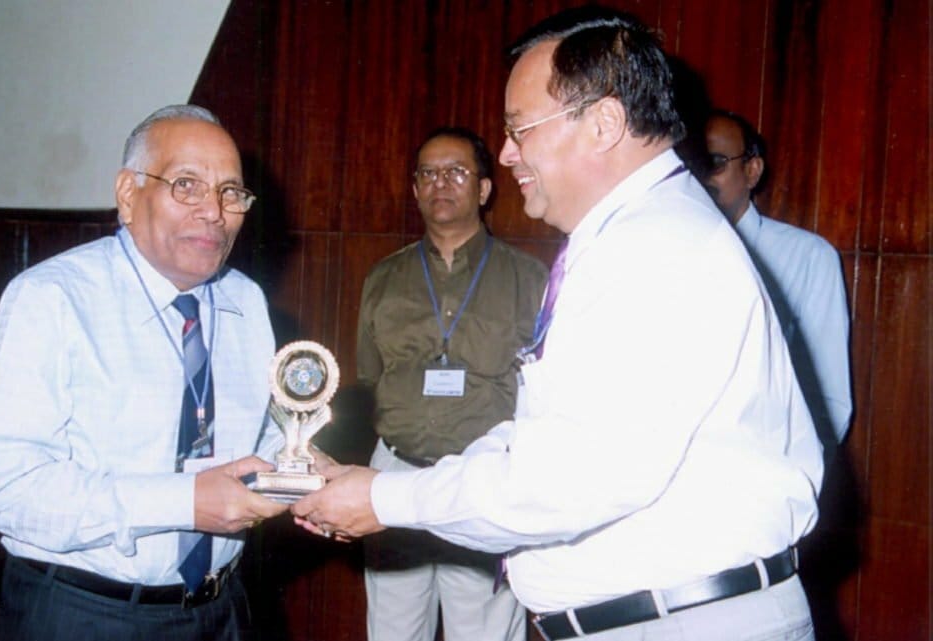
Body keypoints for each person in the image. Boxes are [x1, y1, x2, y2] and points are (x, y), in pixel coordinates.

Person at [293, 7, 825, 641]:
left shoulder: (653, 249)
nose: (507, 154)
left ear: (604, 123)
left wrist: (384, 500)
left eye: (519, 129)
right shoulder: (638, 234)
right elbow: (549, 435)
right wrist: (384, 486)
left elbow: (569, 477)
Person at [0, 104, 288, 641]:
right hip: (85, 614)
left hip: (220, 611)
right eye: (187, 185)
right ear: (127, 194)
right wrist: (184, 502)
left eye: (230, 192)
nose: (213, 211)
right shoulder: (52, 297)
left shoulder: (246, 300)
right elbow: (2, 488)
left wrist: (303, 464)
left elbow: (263, 436)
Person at [356, 127, 545, 641]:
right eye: (429, 173)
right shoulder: (383, 278)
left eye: (457, 171)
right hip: (396, 475)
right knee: (393, 631)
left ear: (484, 189)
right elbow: (369, 375)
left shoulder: (530, 280)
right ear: (415, 189)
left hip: (483, 481)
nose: (441, 182)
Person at [702, 110, 852, 448]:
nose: (701, 177)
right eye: (692, 165)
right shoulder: (670, 248)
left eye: (715, 163)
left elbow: (830, 399)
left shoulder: (808, 256)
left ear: (752, 171)